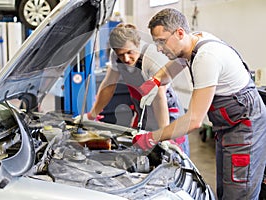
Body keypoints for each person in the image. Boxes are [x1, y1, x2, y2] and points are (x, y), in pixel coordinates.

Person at [132, 8, 266, 200]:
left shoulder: (206, 58)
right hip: (228, 127)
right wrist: (155, 80)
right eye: (156, 43)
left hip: (245, 129)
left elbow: (193, 120)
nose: (159, 48)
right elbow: (173, 66)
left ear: (179, 32)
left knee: (239, 193)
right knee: (226, 189)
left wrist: (152, 137)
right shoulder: (191, 42)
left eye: (162, 41)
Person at [75, 23, 190, 156]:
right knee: (139, 154)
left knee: (172, 156)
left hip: (167, 113)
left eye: (130, 52)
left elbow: (159, 98)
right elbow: (108, 85)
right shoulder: (116, 57)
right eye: (121, 54)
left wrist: (164, 133)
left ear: (137, 44)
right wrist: (92, 115)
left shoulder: (151, 58)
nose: (126, 59)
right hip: (143, 111)